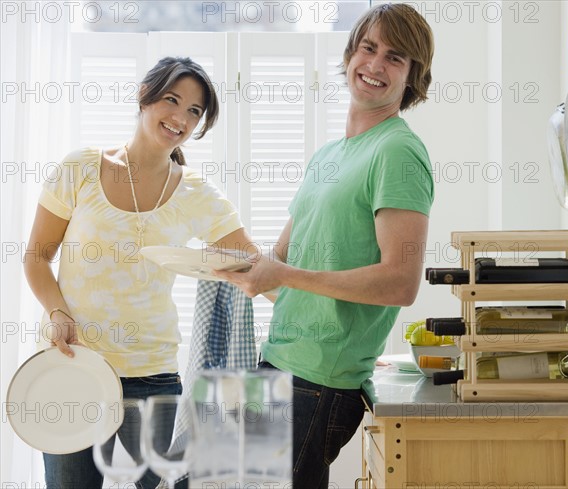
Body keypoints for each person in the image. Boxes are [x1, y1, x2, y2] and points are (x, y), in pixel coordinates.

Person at [215, 4, 435, 488]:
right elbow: (285, 260)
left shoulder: (397, 150)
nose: (375, 65)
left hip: (318, 382)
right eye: (368, 47)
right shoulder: (327, 156)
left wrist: (284, 275)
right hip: (279, 360)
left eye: (395, 57)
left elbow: (400, 282)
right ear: (350, 53)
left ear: (413, 75)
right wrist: (240, 267)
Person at [23, 57, 254, 489]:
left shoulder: (197, 193)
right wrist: (57, 311)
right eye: (173, 100)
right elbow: (36, 256)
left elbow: (253, 265)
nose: (181, 118)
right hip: (73, 367)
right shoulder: (80, 169)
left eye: (194, 111)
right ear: (144, 94)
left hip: (153, 374)